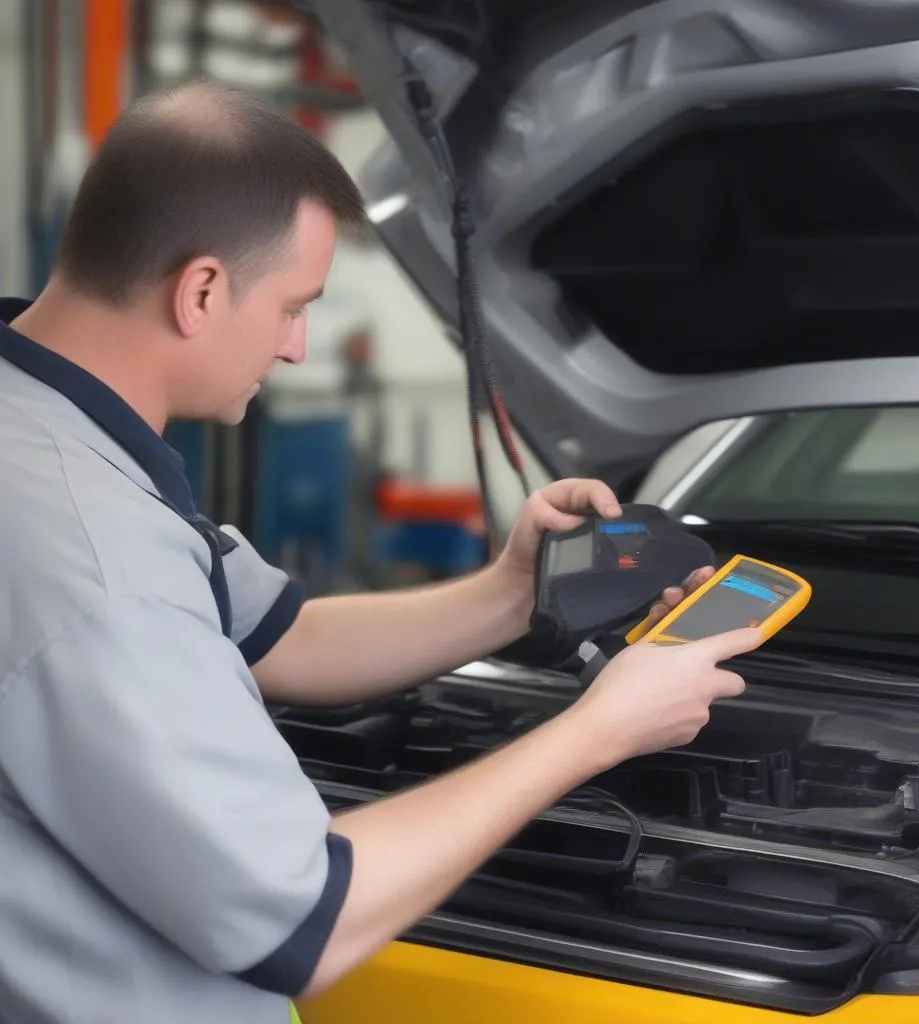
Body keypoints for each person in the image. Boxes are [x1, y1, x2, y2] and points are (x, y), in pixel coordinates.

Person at [0, 81, 761, 1024]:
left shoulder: (39, 426)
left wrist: (511, 591)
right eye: (292, 306)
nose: (294, 346)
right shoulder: (98, 562)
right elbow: (300, 923)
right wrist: (597, 731)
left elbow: (284, 638)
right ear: (200, 291)